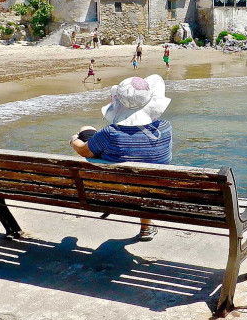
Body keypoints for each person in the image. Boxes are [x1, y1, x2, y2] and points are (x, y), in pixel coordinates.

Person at [70, 75, 173, 241]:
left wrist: (73, 140)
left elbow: (83, 151)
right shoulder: (165, 128)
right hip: (152, 192)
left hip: (116, 193)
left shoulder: (110, 133)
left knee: (86, 131)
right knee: (144, 177)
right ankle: (146, 227)